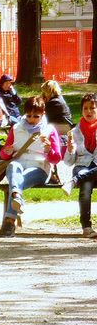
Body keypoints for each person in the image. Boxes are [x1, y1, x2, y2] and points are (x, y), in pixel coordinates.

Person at [0, 96, 62, 237]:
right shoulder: (16, 128)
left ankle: (10, 221)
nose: (32, 119)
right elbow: (3, 154)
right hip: (20, 163)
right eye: (29, 116)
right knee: (13, 167)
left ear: (43, 114)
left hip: (39, 167)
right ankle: (17, 196)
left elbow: (56, 158)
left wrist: (48, 150)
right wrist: (7, 152)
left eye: (36, 116)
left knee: (19, 179)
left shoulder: (49, 130)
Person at [61, 93, 97, 238]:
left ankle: (74, 180)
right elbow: (69, 162)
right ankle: (86, 227)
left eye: (92, 108)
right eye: (85, 108)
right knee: (86, 187)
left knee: (82, 178)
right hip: (82, 166)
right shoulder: (75, 131)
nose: (89, 112)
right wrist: (70, 149)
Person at [41, 80, 73, 151]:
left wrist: (43, 102)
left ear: (47, 91)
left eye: (43, 92)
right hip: (63, 128)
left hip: (60, 131)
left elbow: (42, 116)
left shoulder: (53, 103)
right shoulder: (59, 99)